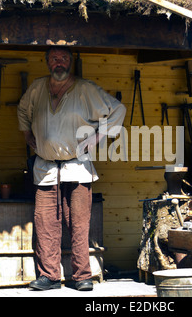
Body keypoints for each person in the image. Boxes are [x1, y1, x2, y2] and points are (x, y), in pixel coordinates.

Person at [17, 46, 126, 291]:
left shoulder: (86, 89)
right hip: (45, 168)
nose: (59, 62)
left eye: (64, 58)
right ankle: (50, 277)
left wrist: (97, 137)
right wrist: (26, 132)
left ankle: (82, 276)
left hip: (77, 166)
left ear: (71, 62)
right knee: (45, 223)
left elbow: (118, 110)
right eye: (54, 58)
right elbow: (23, 109)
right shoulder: (37, 88)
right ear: (47, 62)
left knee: (78, 222)